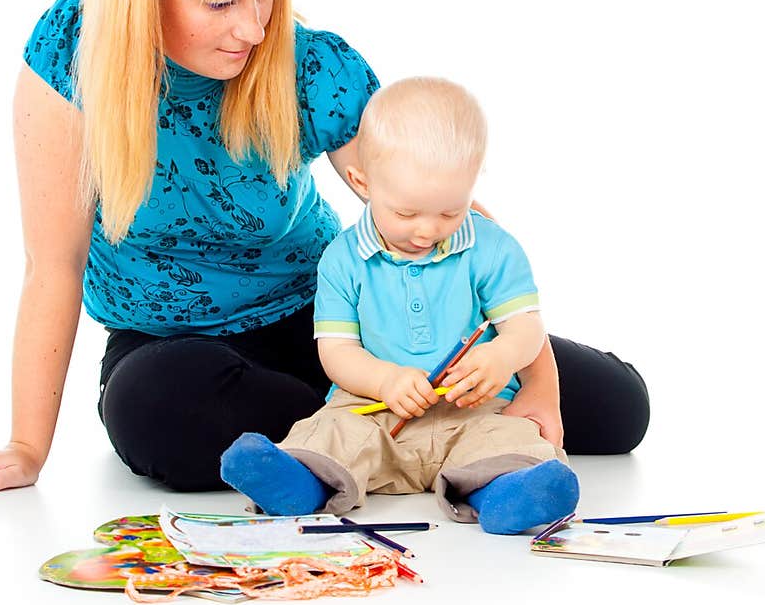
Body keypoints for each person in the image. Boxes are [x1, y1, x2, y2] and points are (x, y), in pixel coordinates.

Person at [0, 0, 649, 499]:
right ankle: (400, 432)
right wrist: (25, 446)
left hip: (335, 324)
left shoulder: (307, 64)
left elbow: (431, 203)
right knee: (159, 410)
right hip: (172, 347)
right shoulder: (72, 53)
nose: (253, 25)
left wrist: (537, 371)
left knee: (619, 410)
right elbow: (53, 265)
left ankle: (366, 433)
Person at [221, 78, 581, 533]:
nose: (427, 231)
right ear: (361, 182)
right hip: (375, 408)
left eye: (450, 212)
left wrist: (500, 356)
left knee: (509, 438)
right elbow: (336, 352)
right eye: (406, 214)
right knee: (331, 431)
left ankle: (508, 494)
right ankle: (299, 485)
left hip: (474, 410)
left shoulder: (492, 246)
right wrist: (385, 379)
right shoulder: (342, 259)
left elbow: (526, 327)